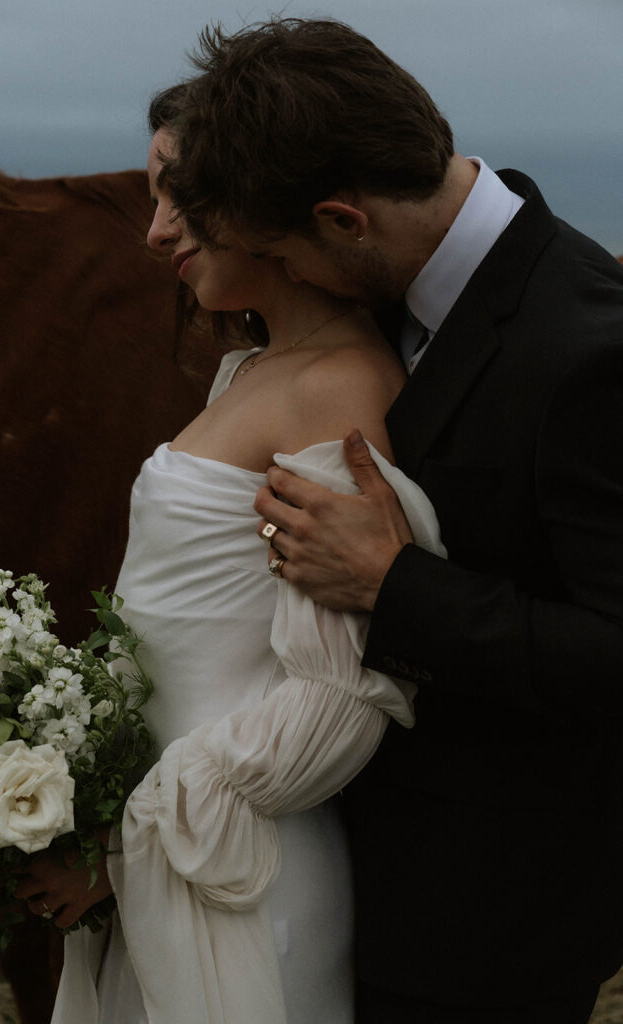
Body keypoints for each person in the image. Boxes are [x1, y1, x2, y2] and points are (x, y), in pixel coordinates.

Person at [162, 18, 623, 1024]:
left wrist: (395, 587)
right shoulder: (383, 306)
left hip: (478, 924)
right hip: (317, 870)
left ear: (342, 220)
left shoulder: (589, 349)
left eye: (281, 251)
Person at [12, 88, 447, 1024]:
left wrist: (127, 848)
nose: (153, 230)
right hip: (187, 852)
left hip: (238, 874)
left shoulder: (338, 386)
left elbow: (335, 693)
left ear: (254, 198)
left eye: (179, 198)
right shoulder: (254, 367)